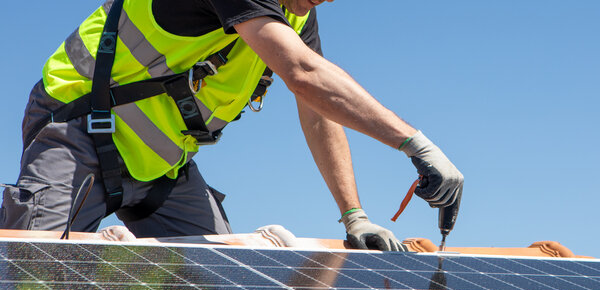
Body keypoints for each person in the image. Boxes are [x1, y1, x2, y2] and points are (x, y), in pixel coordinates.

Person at [0, 0, 463, 251]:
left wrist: (353, 215)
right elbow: (304, 72)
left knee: (220, 283)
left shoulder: (298, 11)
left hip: (165, 165)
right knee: (35, 277)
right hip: (81, 130)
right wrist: (414, 144)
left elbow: (316, 105)